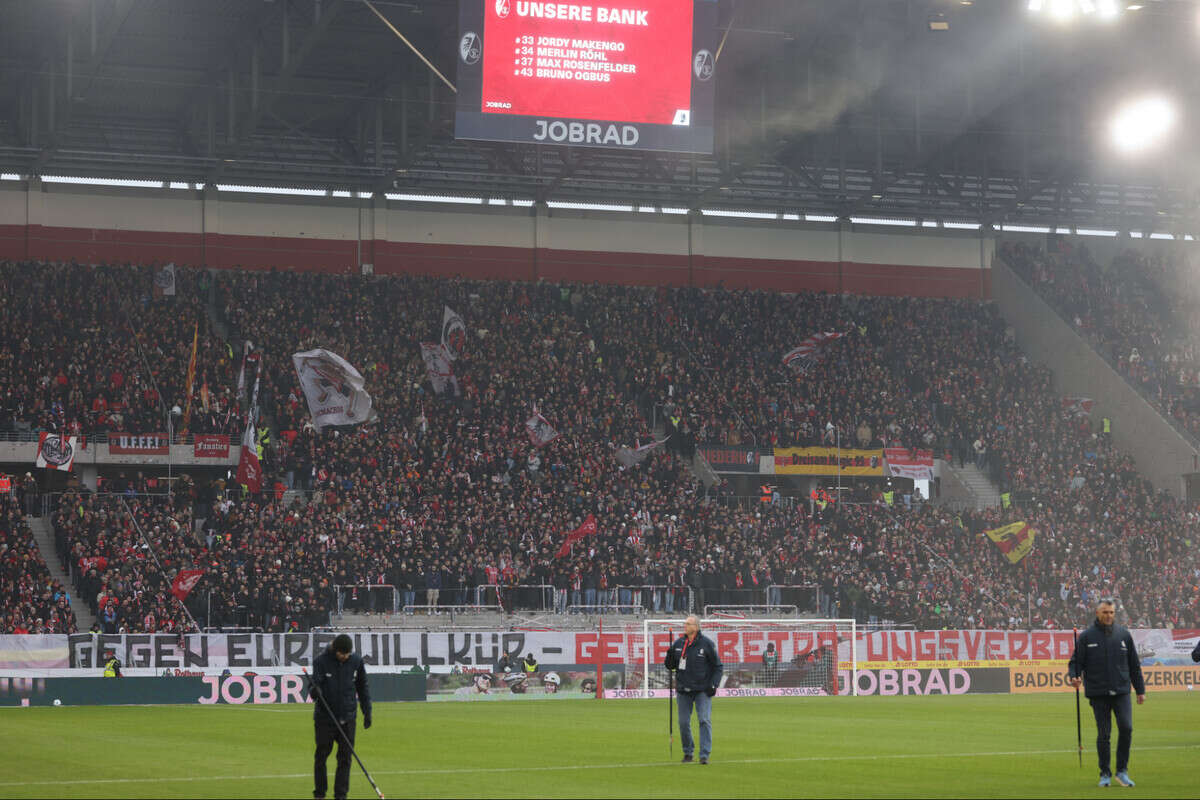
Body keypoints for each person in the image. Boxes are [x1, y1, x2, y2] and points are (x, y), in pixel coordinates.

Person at [1068, 600, 1145, 788]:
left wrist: (1140, 690)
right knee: (1104, 734)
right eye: (1105, 612)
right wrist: (1075, 677)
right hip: (1098, 692)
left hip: (1121, 691)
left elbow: (1134, 665)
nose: (1108, 615)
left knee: (1126, 728)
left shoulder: (1124, 635)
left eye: (1111, 612)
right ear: (1097, 613)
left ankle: (1122, 771)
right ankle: (1105, 773)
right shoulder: (1086, 637)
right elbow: (1076, 663)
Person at [310, 634, 372, 800]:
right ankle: (320, 793)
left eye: (347, 654)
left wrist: (367, 712)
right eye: (341, 654)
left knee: (345, 758)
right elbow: (314, 685)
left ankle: (341, 795)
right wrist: (315, 691)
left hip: (348, 718)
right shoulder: (321, 662)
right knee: (321, 755)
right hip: (325, 718)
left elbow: (363, 688)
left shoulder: (356, 662)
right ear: (335, 650)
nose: (344, 657)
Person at [663, 615, 723, 764]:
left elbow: (718, 667)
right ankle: (688, 752)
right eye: (685, 623)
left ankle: (704, 755)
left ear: (696, 627)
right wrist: (669, 656)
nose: (685, 626)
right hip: (683, 689)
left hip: (702, 689)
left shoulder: (707, 644)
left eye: (688, 624)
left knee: (704, 720)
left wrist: (714, 684)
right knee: (683, 723)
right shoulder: (678, 643)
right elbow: (670, 666)